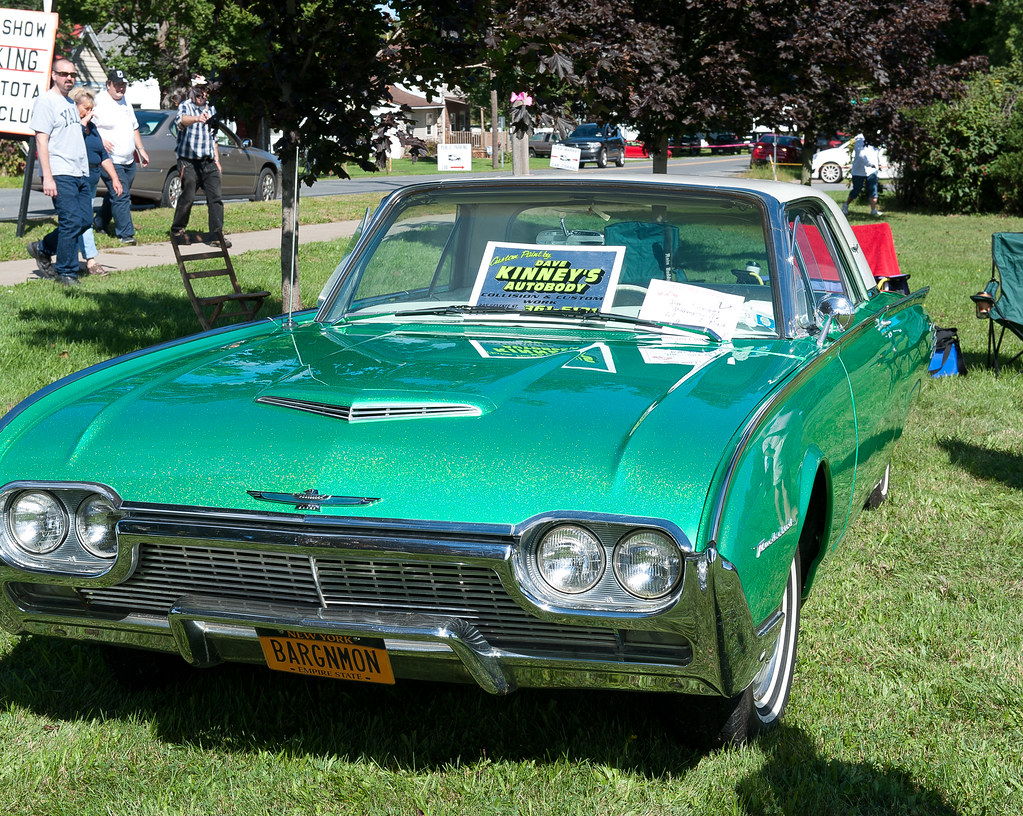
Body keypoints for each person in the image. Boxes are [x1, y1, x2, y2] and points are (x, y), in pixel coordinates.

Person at [26, 57, 94, 286]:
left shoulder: (70, 103)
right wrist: (48, 176)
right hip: (60, 171)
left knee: (84, 220)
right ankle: (66, 273)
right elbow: (41, 140)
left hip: (79, 171)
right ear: (54, 75)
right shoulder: (46, 101)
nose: (69, 78)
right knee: (71, 220)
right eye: (64, 74)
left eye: (72, 75)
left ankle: (43, 248)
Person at [92, 68, 149, 245]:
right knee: (121, 194)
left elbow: (134, 127)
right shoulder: (99, 101)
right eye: (117, 84)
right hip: (110, 159)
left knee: (116, 193)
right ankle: (126, 234)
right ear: (108, 84)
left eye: (123, 84)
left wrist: (141, 150)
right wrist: (100, 140)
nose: (121, 88)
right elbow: (87, 124)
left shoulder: (125, 102)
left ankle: (100, 221)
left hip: (128, 160)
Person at [170, 75, 229, 247]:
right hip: (188, 161)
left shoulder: (211, 108)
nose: (201, 94)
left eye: (204, 90)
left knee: (216, 198)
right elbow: (180, 122)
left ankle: (216, 236)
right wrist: (196, 118)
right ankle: (177, 230)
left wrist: (217, 160)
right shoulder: (185, 106)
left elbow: (214, 137)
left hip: (208, 161)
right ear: (192, 90)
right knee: (188, 196)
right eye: (198, 90)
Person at [72, 87, 123, 276]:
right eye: (86, 108)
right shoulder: (72, 127)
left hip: (91, 180)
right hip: (76, 181)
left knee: (78, 221)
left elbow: (103, 154)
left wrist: (115, 178)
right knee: (83, 220)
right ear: (75, 107)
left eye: (91, 108)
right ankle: (91, 260)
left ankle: (47, 250)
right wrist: (82, 122)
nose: (90, 112)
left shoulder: (92, 129)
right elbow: (72, 143)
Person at [842, 134, 884, 218]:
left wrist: (876, 164)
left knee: (873, 190)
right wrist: (870, 164)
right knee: (856, 190)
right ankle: (845, 205)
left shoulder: (875, 138)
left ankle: (873, 210)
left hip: (872, 170)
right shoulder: (859, 139)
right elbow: (861, 155)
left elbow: (877, 151)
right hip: (859, 170)